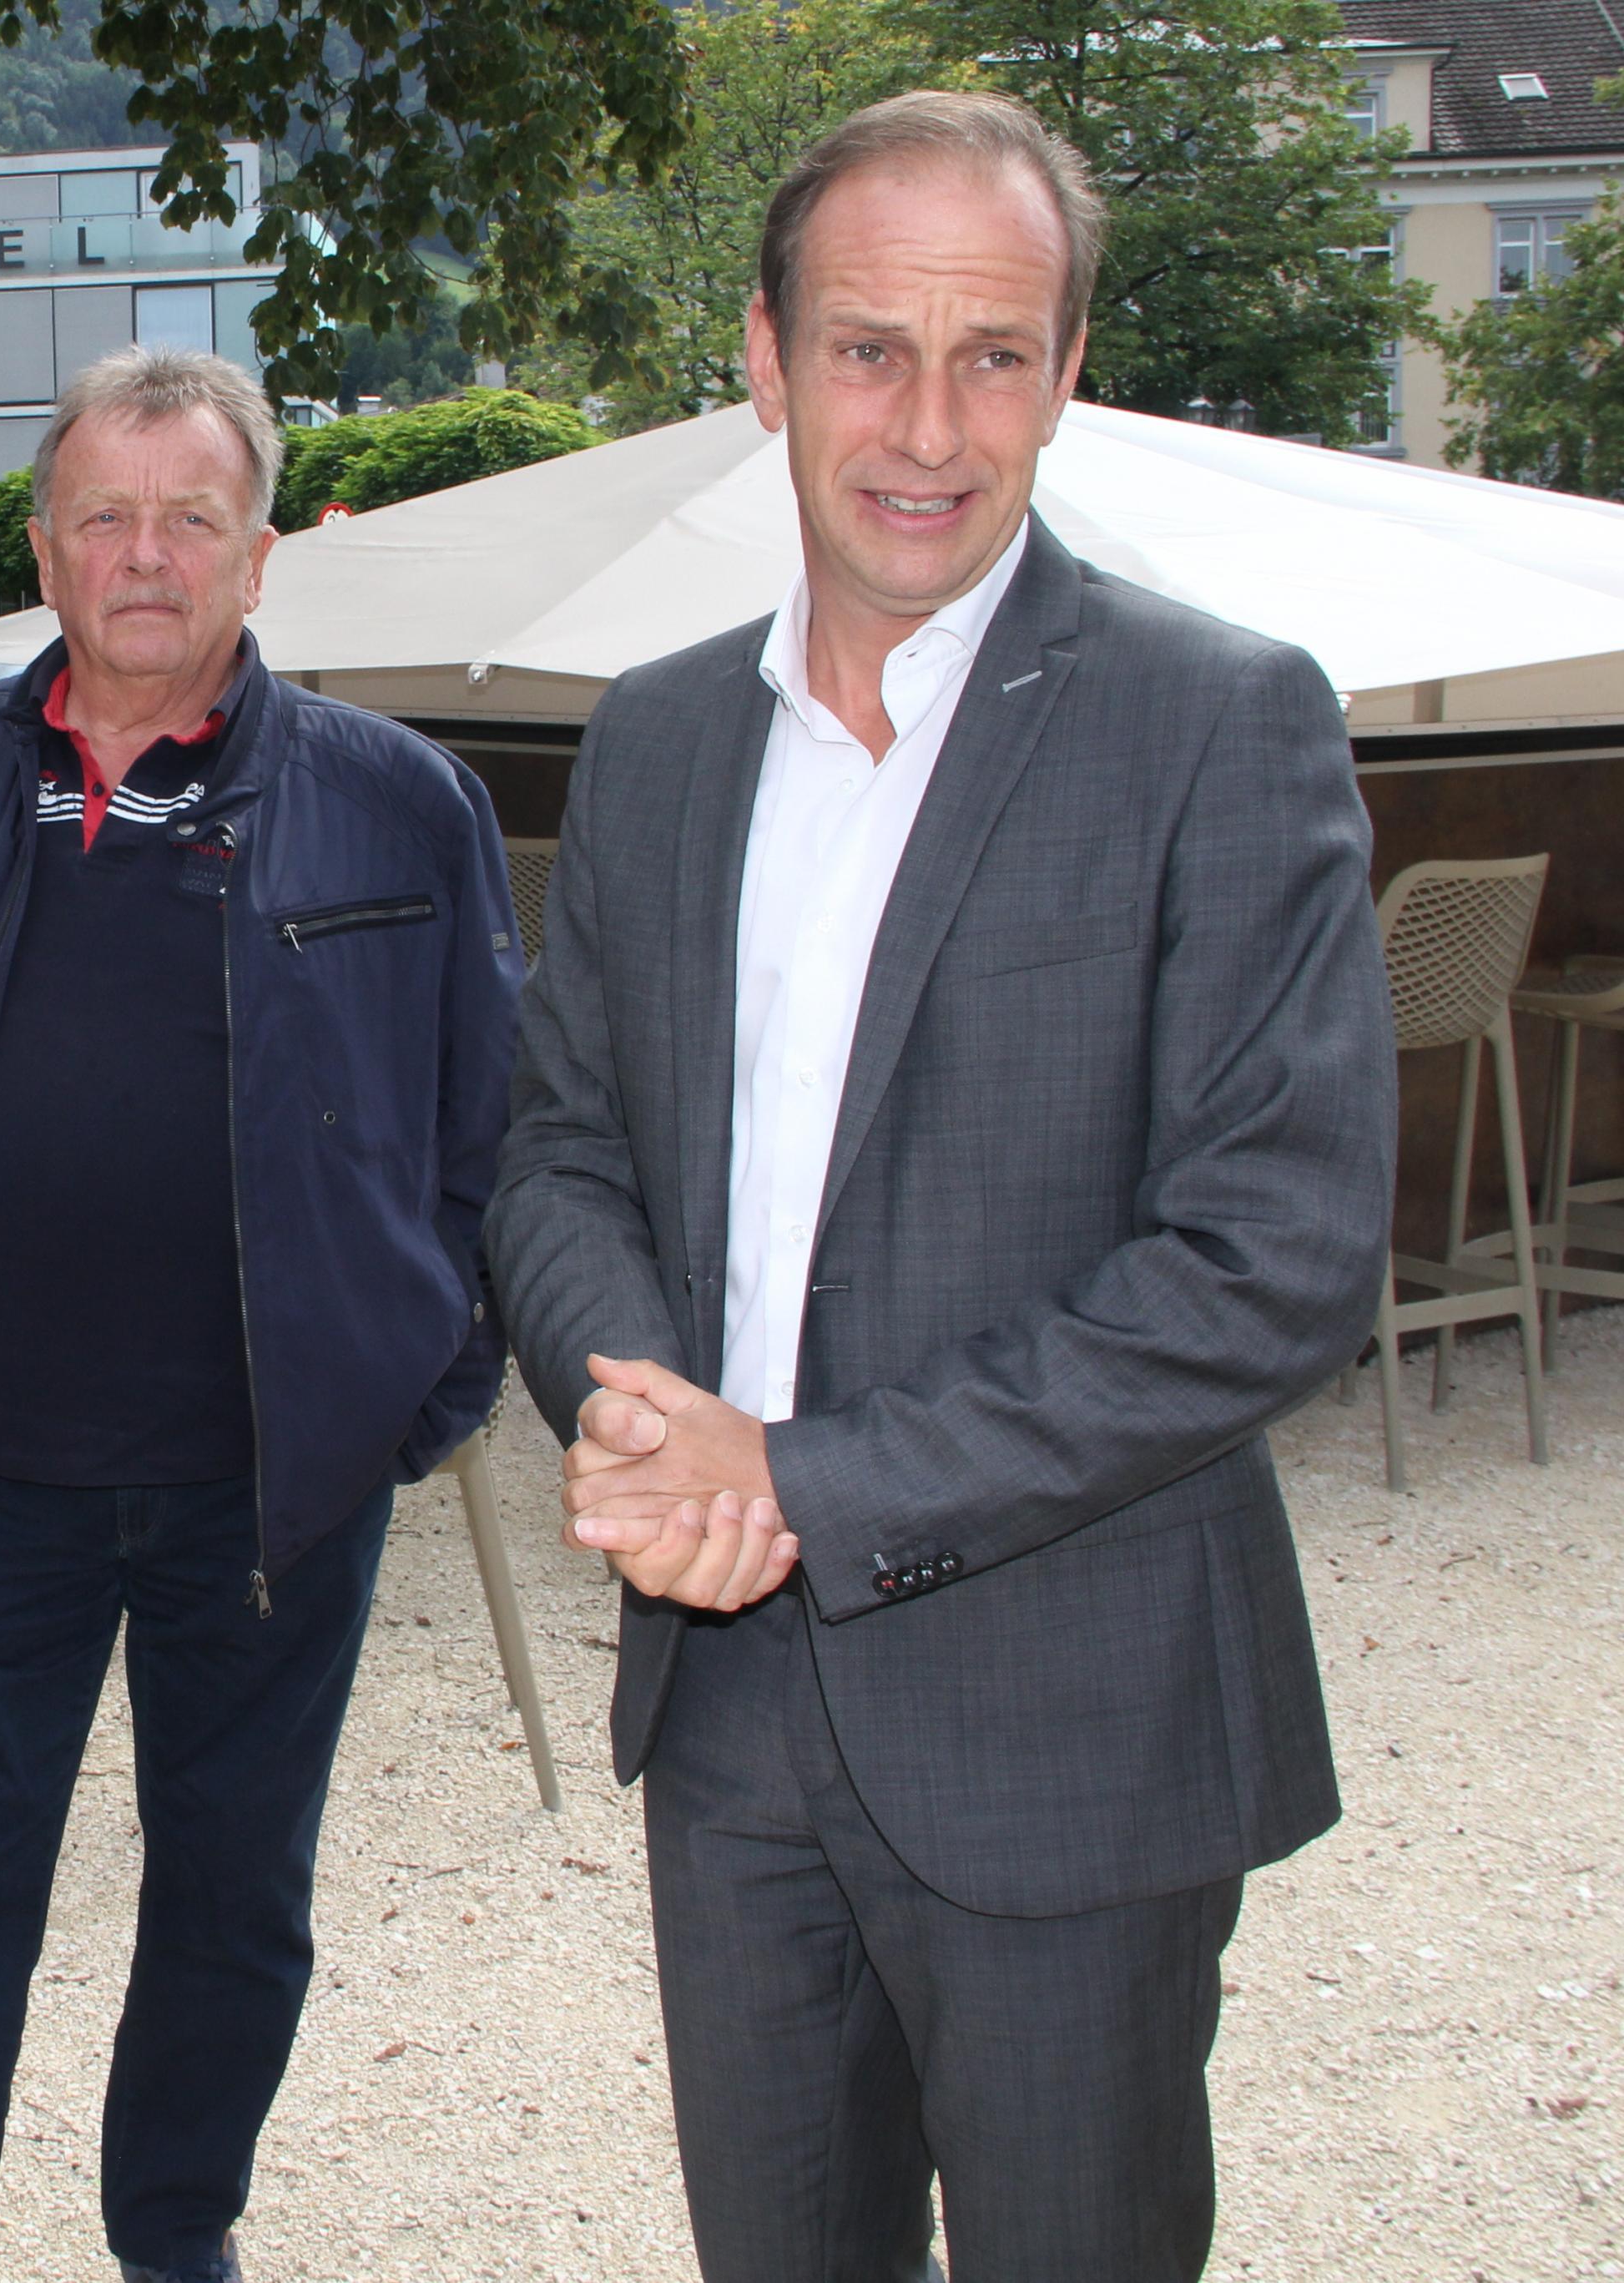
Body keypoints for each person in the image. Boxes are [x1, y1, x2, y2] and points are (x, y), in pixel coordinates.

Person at [483, 91, 1398, 2283]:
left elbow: (1272, 1260)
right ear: (765, 360)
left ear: (1067, 373)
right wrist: (636, 1410)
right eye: (868, 348)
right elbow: (556, 1147)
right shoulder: (658, 742)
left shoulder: (1219, 723)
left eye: (992, 354)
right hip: (725, 1708)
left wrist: (803, 1480)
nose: (927, 423)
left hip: (1069, 1715)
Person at [0, 346, 522, 2283]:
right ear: (41, 550)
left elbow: (489, 1126)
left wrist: (414, 1387)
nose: (143, 556)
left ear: (256, 556)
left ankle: (175, 2240)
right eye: (102, 517)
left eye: (188, 517)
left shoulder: (401, 805)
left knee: (231, 1898)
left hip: (266, 1488)